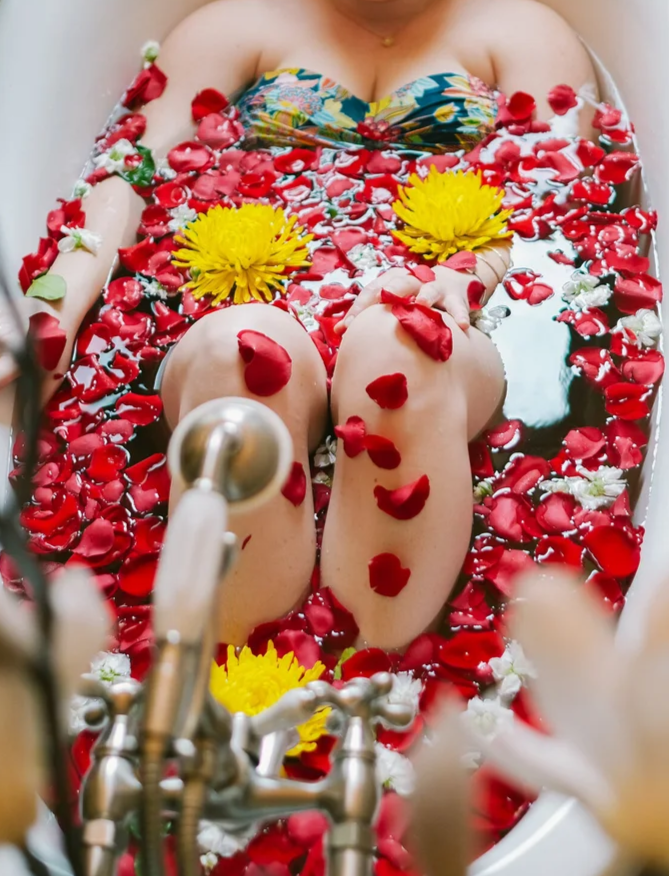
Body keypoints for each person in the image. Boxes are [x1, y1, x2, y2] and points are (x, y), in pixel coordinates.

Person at [16, 0, 597, 648]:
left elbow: (557, 200)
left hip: (454, 308)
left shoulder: (516, 31)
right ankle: (232, 689)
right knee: (243, 355)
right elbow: (129, 171)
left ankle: (371, 686)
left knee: (399, 353)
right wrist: (52, 310)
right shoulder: (237, 26)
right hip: (236, 293)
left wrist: (465, 273)